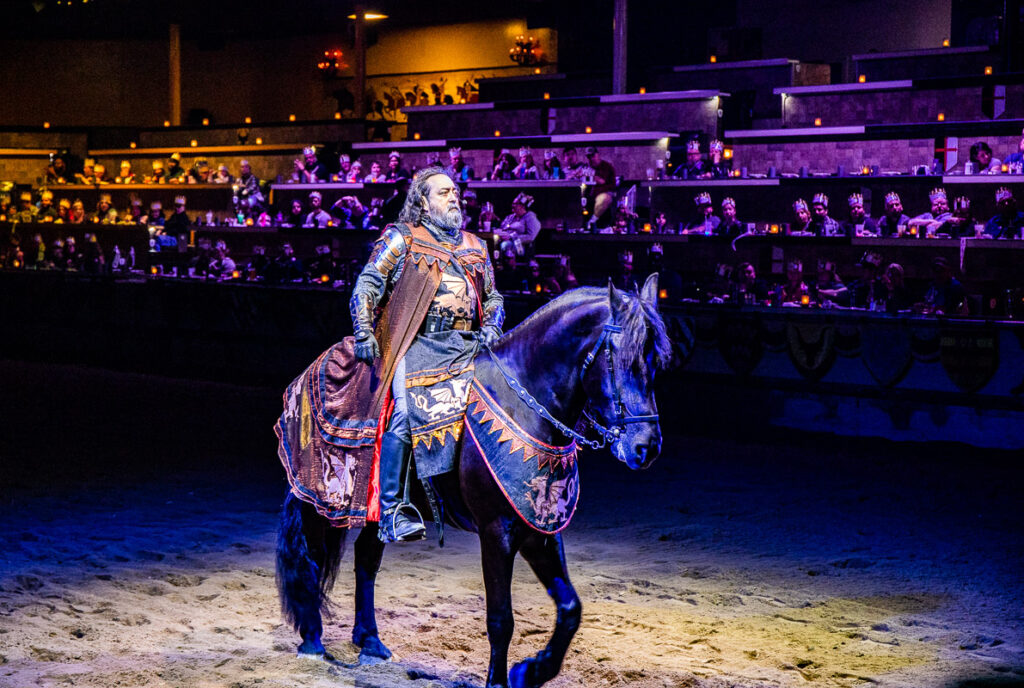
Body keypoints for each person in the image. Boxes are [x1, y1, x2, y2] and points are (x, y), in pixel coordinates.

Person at [349, 166, 504, 543]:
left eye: (455, 191)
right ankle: (393, 510)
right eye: (444, 192)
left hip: (467, 347)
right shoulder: (401, 238)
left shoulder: (475, 246)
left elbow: (493, 298)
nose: (455, 197)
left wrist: (493, 326)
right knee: (405, 412)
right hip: (414, 346)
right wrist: (364, 330)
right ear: (422, 200)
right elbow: (366, 284)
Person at [585, 146, 616, 230]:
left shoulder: (606, 167)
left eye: (593, 156)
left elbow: (606, 182)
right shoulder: (587, 167)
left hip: (605, 193)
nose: (591, 159)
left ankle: (592, 221)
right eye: (589, 157)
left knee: (603, 198)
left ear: (598, 155)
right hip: (589, 196)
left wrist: (593, 177)